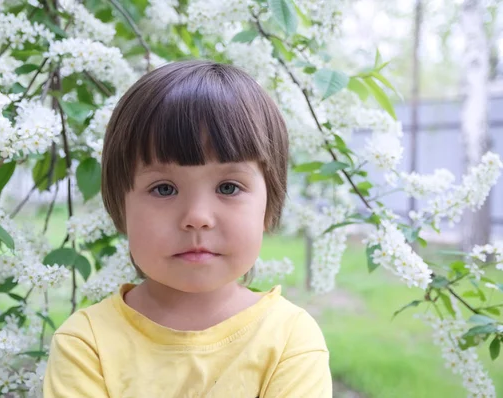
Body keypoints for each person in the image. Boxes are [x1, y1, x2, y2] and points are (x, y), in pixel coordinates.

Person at [43, 59, 332, 397]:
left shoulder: (289, 340)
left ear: (270, 205)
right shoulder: (86, 345)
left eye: (228, 188)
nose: (197, 217)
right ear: (119, 206)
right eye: (164, 188)